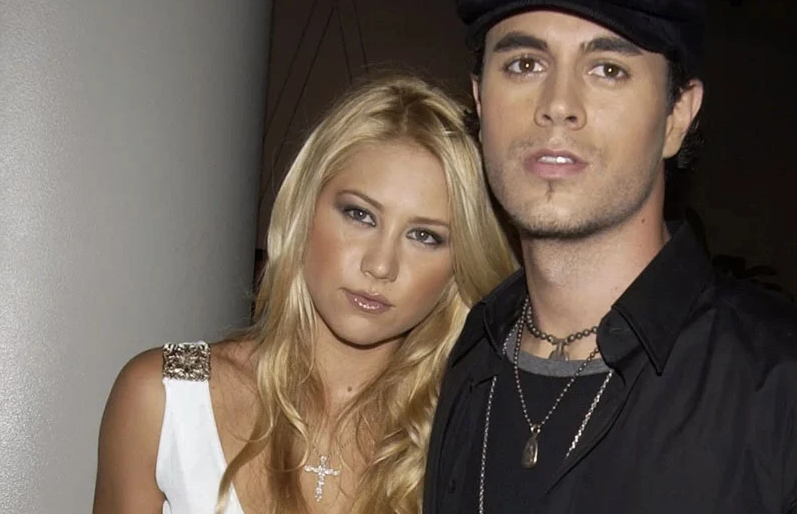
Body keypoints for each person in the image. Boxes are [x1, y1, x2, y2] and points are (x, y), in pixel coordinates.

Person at [423, 0, 797, 512]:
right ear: (480, 101)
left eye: (608, 69)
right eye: (525, 64)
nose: (558, 104)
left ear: (678, 116)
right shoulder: (467, 355)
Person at [92, 75, 517, 514]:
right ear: (305, 208)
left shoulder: (479, 433)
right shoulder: (167, 392)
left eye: (425, 236)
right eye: (360, 215)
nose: (380, 265)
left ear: (460, 263)